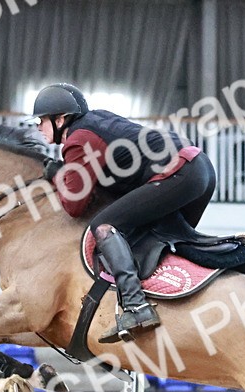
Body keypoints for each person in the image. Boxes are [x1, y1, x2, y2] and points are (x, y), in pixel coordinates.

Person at [32, 83, 217, 343]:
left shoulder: (78, 139)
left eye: (42, 120)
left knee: (104, 226)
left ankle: (136, 307)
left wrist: (56, 174)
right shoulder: (97, 121)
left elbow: (74, 206)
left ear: (60, 119)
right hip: (200, 169)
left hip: (180, 173)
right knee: (153, 238)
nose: (39, 126)